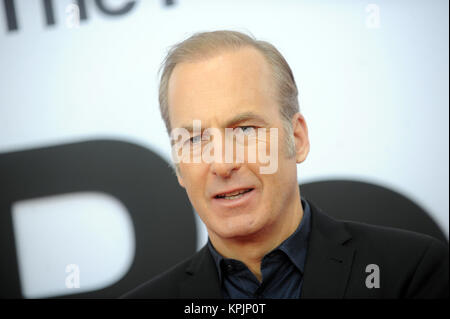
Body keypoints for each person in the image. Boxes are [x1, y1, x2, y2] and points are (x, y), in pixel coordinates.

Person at [122, 30, 448, 299]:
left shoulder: (411, 271)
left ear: (298, 138)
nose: (221, 164)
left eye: (245, 130)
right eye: (194, 140)